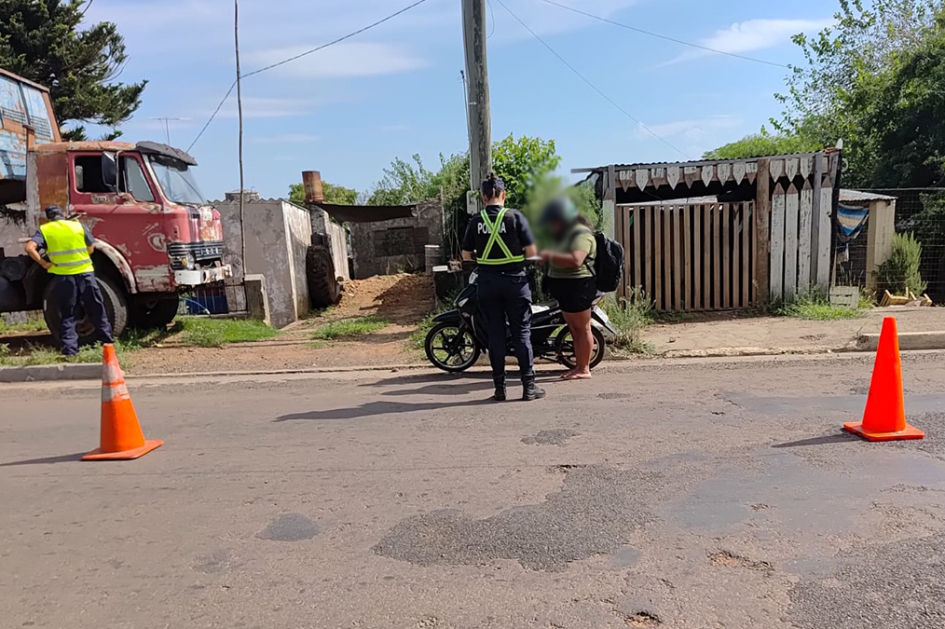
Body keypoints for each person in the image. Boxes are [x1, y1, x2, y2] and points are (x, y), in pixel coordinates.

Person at [462, 173, 545, 402]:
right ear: (503, 194)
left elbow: (466, 254)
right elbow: (531, 252)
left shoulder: (475, 221)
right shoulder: (516, 217)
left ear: (483, 197)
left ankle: (500, 389)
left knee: (495, 335)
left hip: (488, 283)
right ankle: (529, 387)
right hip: (515, 283)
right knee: (521, 333)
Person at [24, 205, 113, 356]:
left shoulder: (45, 230)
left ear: (49, 217)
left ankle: (70, 350)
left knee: (68, 312)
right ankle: (107, 344)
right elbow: (91, 247)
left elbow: (29, 248)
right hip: (85, 273)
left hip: (63, 276)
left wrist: (45, 264)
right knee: (96, 307)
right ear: (63, 215)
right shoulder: (77, 226)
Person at [540, 197, 598, 380]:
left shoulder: (581, 234)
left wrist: (549, 254)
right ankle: (578, 366)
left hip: (578, 286)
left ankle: (584, 369)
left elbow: (575, 260)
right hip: (564, 287)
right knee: (573, 328)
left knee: (583, 328)